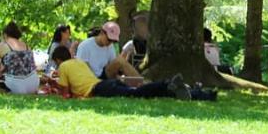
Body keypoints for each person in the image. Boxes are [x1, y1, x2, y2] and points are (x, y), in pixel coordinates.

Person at [49, 45, 189, 100]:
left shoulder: (63, 67)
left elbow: (66, 93)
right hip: (104, 83)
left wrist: (53, 85)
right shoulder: (78, 61)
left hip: (99, 89)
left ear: (58, 59)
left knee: (134, 93)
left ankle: (165, 84)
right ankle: (172, 90)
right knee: (135, 91)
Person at [75, 21, 141, 80]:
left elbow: (113, 65)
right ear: (102, 33)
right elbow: (82, 69)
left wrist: (119, 77)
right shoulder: (85, 45)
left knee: (120, 60)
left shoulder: (110, 46)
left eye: (113, 41)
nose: (110, 42)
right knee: (120, 61)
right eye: (109, 39)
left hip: (104, 76)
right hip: (91, 79)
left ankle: (139, 81)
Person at [0, 21, 40, 94]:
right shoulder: (27, 46)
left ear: (5, 35)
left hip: (15, 85)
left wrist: (2, 72)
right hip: (33, 83)